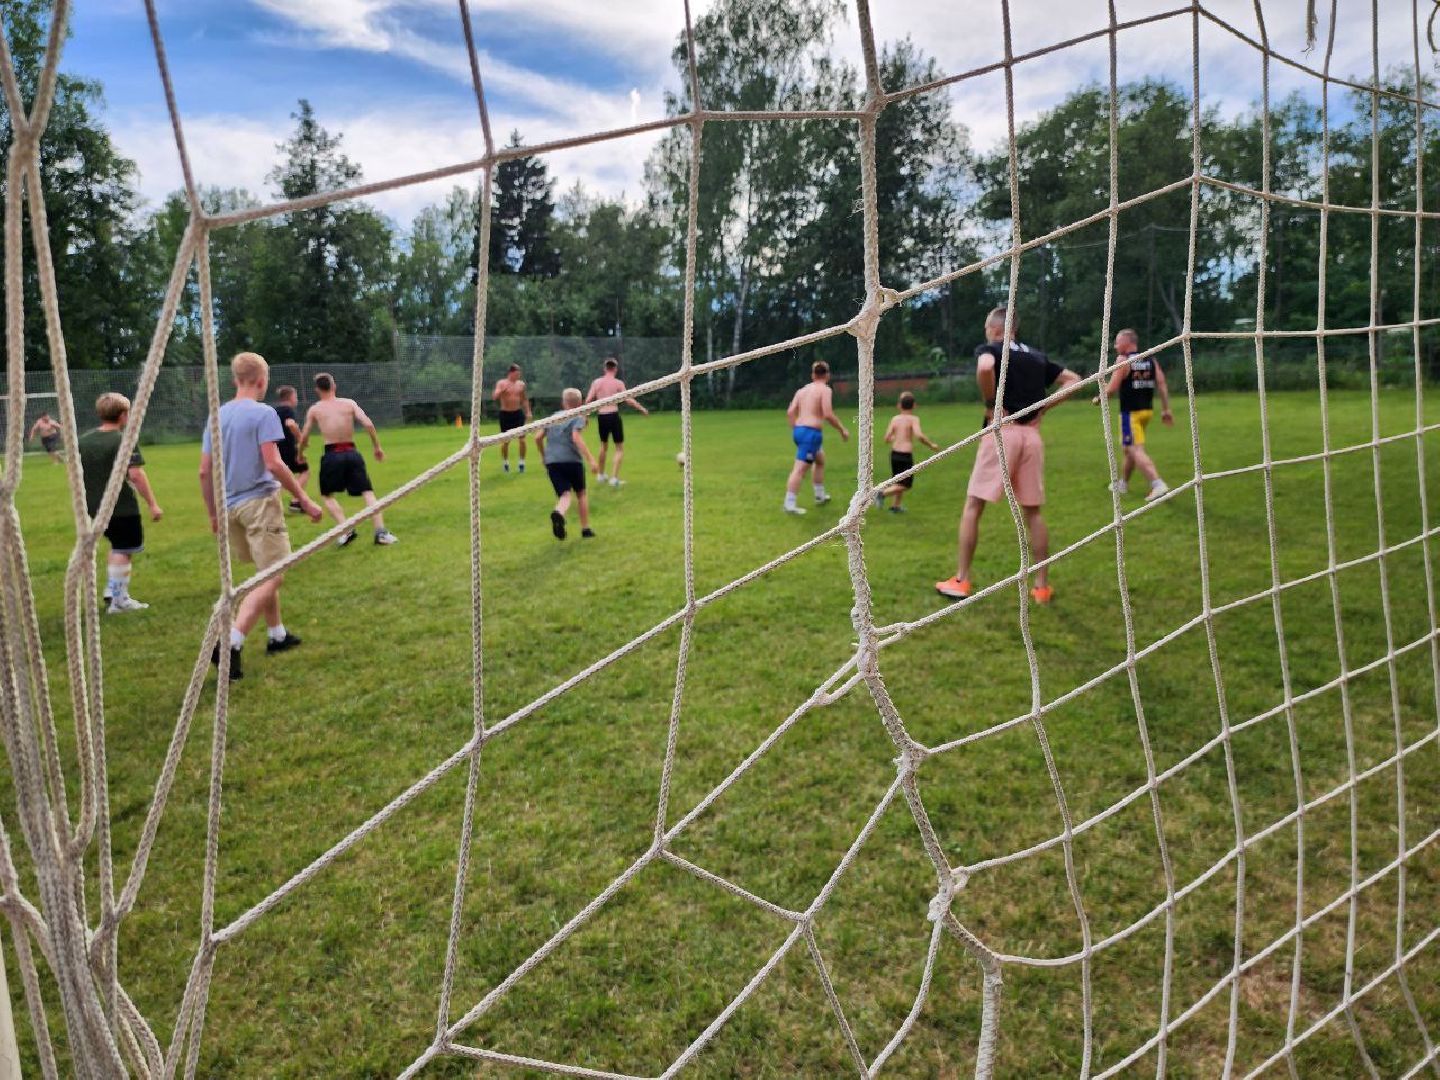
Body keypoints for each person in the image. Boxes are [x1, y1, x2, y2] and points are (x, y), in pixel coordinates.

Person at [935, 308, 1081, 604]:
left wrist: (991, 405)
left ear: (993, 328)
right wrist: (1041, 407)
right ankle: (1041, 587)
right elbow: (1074, 380)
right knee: (1034, 512)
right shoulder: (1036, 356)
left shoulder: (990, 349)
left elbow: (985, 367)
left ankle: (961, 579)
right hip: (1032, 436)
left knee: (974, 505)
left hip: (1003, 431)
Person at [200, 352, 322, 679]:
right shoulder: (264, 413)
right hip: (259, 504)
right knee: (274, 575)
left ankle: (277, 634)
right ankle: (231, 641)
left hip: (230, 508)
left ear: (235, 379)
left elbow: (203, 472)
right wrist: (305, 500)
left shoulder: (216, 416)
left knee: (262, 571)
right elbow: (273, 463)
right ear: (261, 381)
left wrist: (213, 514)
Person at [78, 394, 163, 613]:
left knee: (117, 545)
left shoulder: (83, 440)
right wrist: (153, 504)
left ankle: (111, 590)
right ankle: (119, 601)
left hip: (93, 505)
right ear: (124, 415)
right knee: (124, 548)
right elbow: (135, 475)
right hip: (120, 506)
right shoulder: (123, 439)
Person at [298, 372, 398, 547]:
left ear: (317, 390)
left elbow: (305, 435)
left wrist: (300, 453)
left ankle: (346, 530)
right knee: (367, 492)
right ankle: (380, 532)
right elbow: (368, 424)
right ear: (334, 386)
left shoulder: (315, 409)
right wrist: (377, 447)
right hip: (352, 453)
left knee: (327, 495)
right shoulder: (349, 404)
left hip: (332, 455)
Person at [1093, 328, 1173, 500]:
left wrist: (1098, 398)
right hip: (1146, 412)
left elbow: (1112, 389)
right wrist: (1166, 409)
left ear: (1127, 342)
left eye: (1117, 341)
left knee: (1134, 449)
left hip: (1130, 414)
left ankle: (1158, 484)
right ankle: (1123, 484)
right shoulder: (1150, 358)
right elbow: (1161, 383)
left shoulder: (1123, 360)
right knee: (1128, 450)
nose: (1115, 346)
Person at [783, 360, 849, 515]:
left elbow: (790, 412)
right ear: (827, 375)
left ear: (813, 374)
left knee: (820, 460)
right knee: (799, 470)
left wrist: (796, 428)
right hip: (810, 433)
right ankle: (789, 504)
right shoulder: (824, 390)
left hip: (800, 431)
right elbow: (828, 414)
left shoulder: (802, 390)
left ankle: (820, 495)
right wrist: (842, 430)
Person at [536, 387, 600, 540]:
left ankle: (559, 512)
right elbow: (576, 437)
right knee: (581, 494)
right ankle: (585, 529)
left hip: (553, 463)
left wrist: (544, 456)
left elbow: (537, 438)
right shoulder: (578, 416)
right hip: (572, 462)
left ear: (564, 402)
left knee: (565, 495)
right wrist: (591, 459)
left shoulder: (553, 417)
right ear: (580, 402)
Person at [585, 357, 649, 487]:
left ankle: (601, 475)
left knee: (603, 446)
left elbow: (588, 400)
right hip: (613, 415)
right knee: (619, 448)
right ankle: (614, 478)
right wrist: (641, 409)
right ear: (615, 369)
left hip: (601, 416)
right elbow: (628, 399)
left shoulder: (597, 382)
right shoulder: (618, 383)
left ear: (605, 368)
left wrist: (584, 416)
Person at [875, 391, 941, 513]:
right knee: (906, 485)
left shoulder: (895, 419)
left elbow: (887, 438)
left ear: (900, 405)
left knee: (898, 481)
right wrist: (931, 445)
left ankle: (895, 507)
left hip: (894, 454)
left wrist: (897, 438)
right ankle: (882, 493)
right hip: (905, 455)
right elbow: (919, 436)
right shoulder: (913, 419)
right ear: (914, 405)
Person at [271, 385, 310, 513]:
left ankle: (271, 503)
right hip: (288, 448)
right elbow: (290, 424)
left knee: (279, 478)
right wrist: (300, 438)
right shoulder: (288, 410)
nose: (296, 400)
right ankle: (295, 501)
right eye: (296, 397)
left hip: (275, 449)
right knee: (305, 470)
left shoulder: (274, 411)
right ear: (290, 397)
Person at [492, 364, 532, 474]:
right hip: (505, 414)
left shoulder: (521, 384)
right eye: (517, 373)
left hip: (518, 413)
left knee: (522, 439)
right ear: (511, 373)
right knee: (505, 441)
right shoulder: (502, 383)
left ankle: (521, 463)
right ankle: (505, 463)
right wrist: (501, 391)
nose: (518, 375)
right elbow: (494, 396)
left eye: (519, 374)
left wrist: (528, 411)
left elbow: (524, 399)